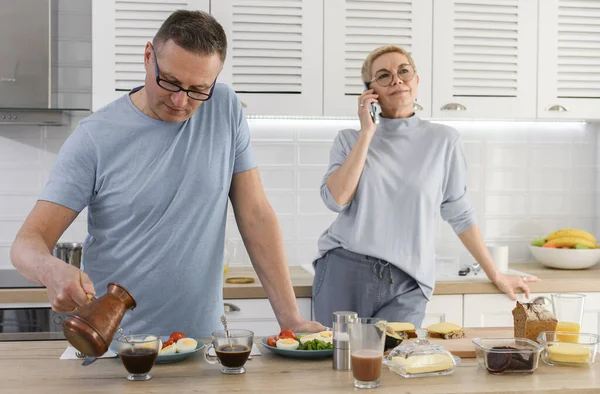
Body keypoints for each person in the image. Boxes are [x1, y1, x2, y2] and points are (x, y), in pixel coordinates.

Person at [10, 10, 324, 337]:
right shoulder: (94, 138)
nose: (180, 100)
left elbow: (255, 215)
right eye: (170, 82)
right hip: (117, 346)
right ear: (148, 56)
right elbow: (25, 244)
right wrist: (51, 270)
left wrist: (291, 319)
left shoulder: (224, 107)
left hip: (203, 345)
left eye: (198, 89)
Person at [312, 45, 539, 328]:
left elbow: (459, 212)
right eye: (383, 76)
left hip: (409, 283)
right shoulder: (349, 140)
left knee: (398, 366)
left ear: (416, 80)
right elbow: (336, 200)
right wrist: (367, 133)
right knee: (336, 369)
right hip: (344, 271)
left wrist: (497, 273)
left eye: (403, 71)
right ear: (371, 92)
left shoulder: (444, 140)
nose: (396, 79)